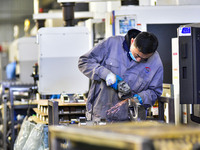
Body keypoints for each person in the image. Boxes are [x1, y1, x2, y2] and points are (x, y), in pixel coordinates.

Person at [78, 29, 163, 122]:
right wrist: (105, 74)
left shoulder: (156, 62)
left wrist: (141, 98)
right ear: (132, 41)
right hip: (100, 116)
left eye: (144, 59)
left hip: (129, 121)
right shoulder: (111, 44)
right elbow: (84, 62)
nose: (138, 60)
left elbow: (155, 92)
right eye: (137, 55)